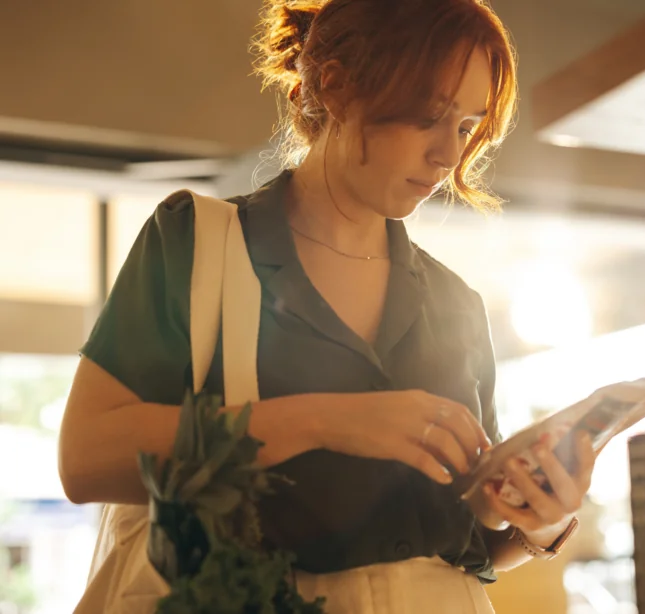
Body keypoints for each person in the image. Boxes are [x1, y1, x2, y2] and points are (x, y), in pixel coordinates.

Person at [58, 0, 596, 611]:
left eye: (468, 127)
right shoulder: (198, 243)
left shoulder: (457, 304)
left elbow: (470, 542)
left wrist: (542, 522)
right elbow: (85, 460)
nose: (448, 155)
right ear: (337, 87)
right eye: (430, 117)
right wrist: (327, 420)